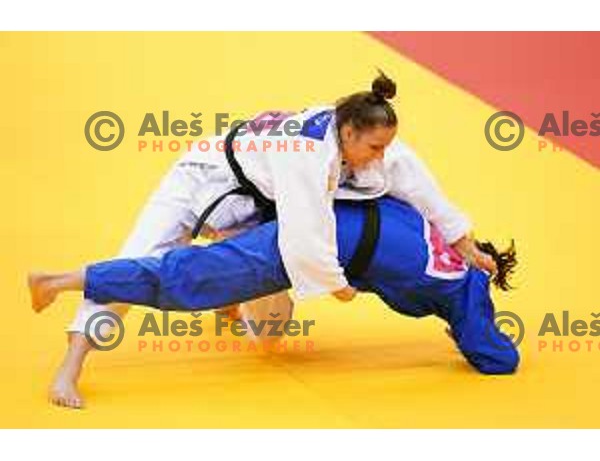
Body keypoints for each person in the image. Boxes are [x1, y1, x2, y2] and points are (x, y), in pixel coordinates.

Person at [46, 72, 495, 407]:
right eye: (374, 148)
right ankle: (69, 369)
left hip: (256, 204)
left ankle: (227, 302)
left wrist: (468, 248)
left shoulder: (372, 138)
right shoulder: (306, 153)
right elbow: (306, 235)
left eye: (384, 148)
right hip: (204, 180)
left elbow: (425, 192)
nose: (380, 157)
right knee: (141, 259)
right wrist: (338, 285)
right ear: (348, 132)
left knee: (268, 334)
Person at [29, 197, 519, 407]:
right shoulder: (467, 289)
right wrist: (469, 324)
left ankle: (225, 265)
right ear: (485, 268)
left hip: (310, 217)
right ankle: (59, 280)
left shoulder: (429, 226)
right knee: (186, 282)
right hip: (305, 246)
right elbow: (499, 361)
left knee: (220, 281)